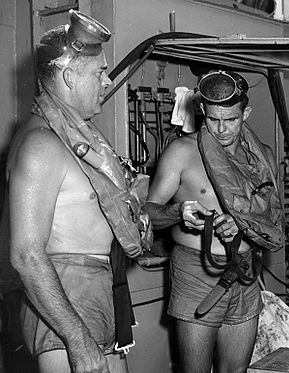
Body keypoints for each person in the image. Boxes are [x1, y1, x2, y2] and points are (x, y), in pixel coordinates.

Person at [7, 9, 150, 373]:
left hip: (97, 290)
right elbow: (26, 255)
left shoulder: (76, 140)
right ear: (70, 75)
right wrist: (78, 340)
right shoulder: (41, 145)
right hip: (66, 302)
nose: (106, 82)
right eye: (100, 73)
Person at [144, 71, 284, 373]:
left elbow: (272, 219)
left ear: (245, 113)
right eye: (213, 119)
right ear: (202, 112)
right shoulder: (182, 153)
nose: (221, 129)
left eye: (231, 120)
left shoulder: (263, 159)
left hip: (245, 272)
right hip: (196, 272)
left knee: (236, 371)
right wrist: (177, 212)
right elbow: (146, 214)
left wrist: (245, 226)